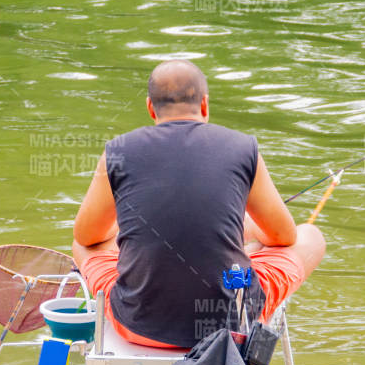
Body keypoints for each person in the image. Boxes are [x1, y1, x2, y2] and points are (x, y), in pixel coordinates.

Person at [72, 60, 326, 349]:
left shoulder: (116, 151)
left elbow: (86, 237)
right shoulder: (243, 148)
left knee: (84, 246)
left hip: (136, 323)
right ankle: (242, 260)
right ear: (204, 105)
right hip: (231, 321)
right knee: (310, 237)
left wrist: (123, 233)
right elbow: (284, 237)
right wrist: (252, 232)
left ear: (150, 108)